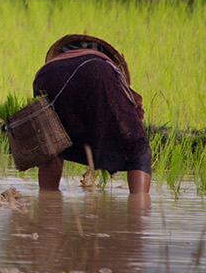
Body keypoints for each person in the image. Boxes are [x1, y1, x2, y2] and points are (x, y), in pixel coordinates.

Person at [33, 34, 151, 197]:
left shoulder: (52, 65)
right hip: (96, 71)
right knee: (138, 148)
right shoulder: (106, 66)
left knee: (53, 144)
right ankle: (139, 207)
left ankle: (47, 199)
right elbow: (131, 114)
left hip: (46, 76)